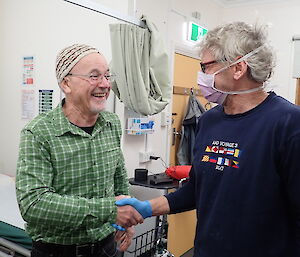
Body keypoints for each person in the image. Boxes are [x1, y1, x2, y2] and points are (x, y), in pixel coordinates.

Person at [116, 22, 300, 257]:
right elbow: (196, 190)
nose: (201, 76)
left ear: (238, 68)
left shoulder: (289, 123)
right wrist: (144, 208)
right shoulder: (210, 120)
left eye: (205, 66)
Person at [16, 44, 143, 257]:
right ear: (66, 83)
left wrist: (126, 219)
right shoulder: (39, 132)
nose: (105, 84)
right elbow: (33, 204)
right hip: (58, 251)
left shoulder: (111, 123)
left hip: (106, 247)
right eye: (94, 76)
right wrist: (110, 211)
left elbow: (118, 177)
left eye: (107, 76)